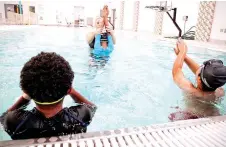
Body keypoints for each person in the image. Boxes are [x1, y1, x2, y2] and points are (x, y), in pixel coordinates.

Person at [0, 52, 97, 140]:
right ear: (67, 90)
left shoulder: (15, 122)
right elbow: (92, 107)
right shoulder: (80, 117)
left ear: (27, 90)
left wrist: (24, 98)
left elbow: (3, 118)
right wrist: (71, 91)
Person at [170, 39, 226, 120]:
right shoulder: (220, 91)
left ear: (199, 79)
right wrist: (184, 57)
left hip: (189, 117)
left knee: (174, 114)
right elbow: (202, 74)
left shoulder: (191, 91)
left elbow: (176, 71)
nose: (198, 68)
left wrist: (183, 52)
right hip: (213, 115)